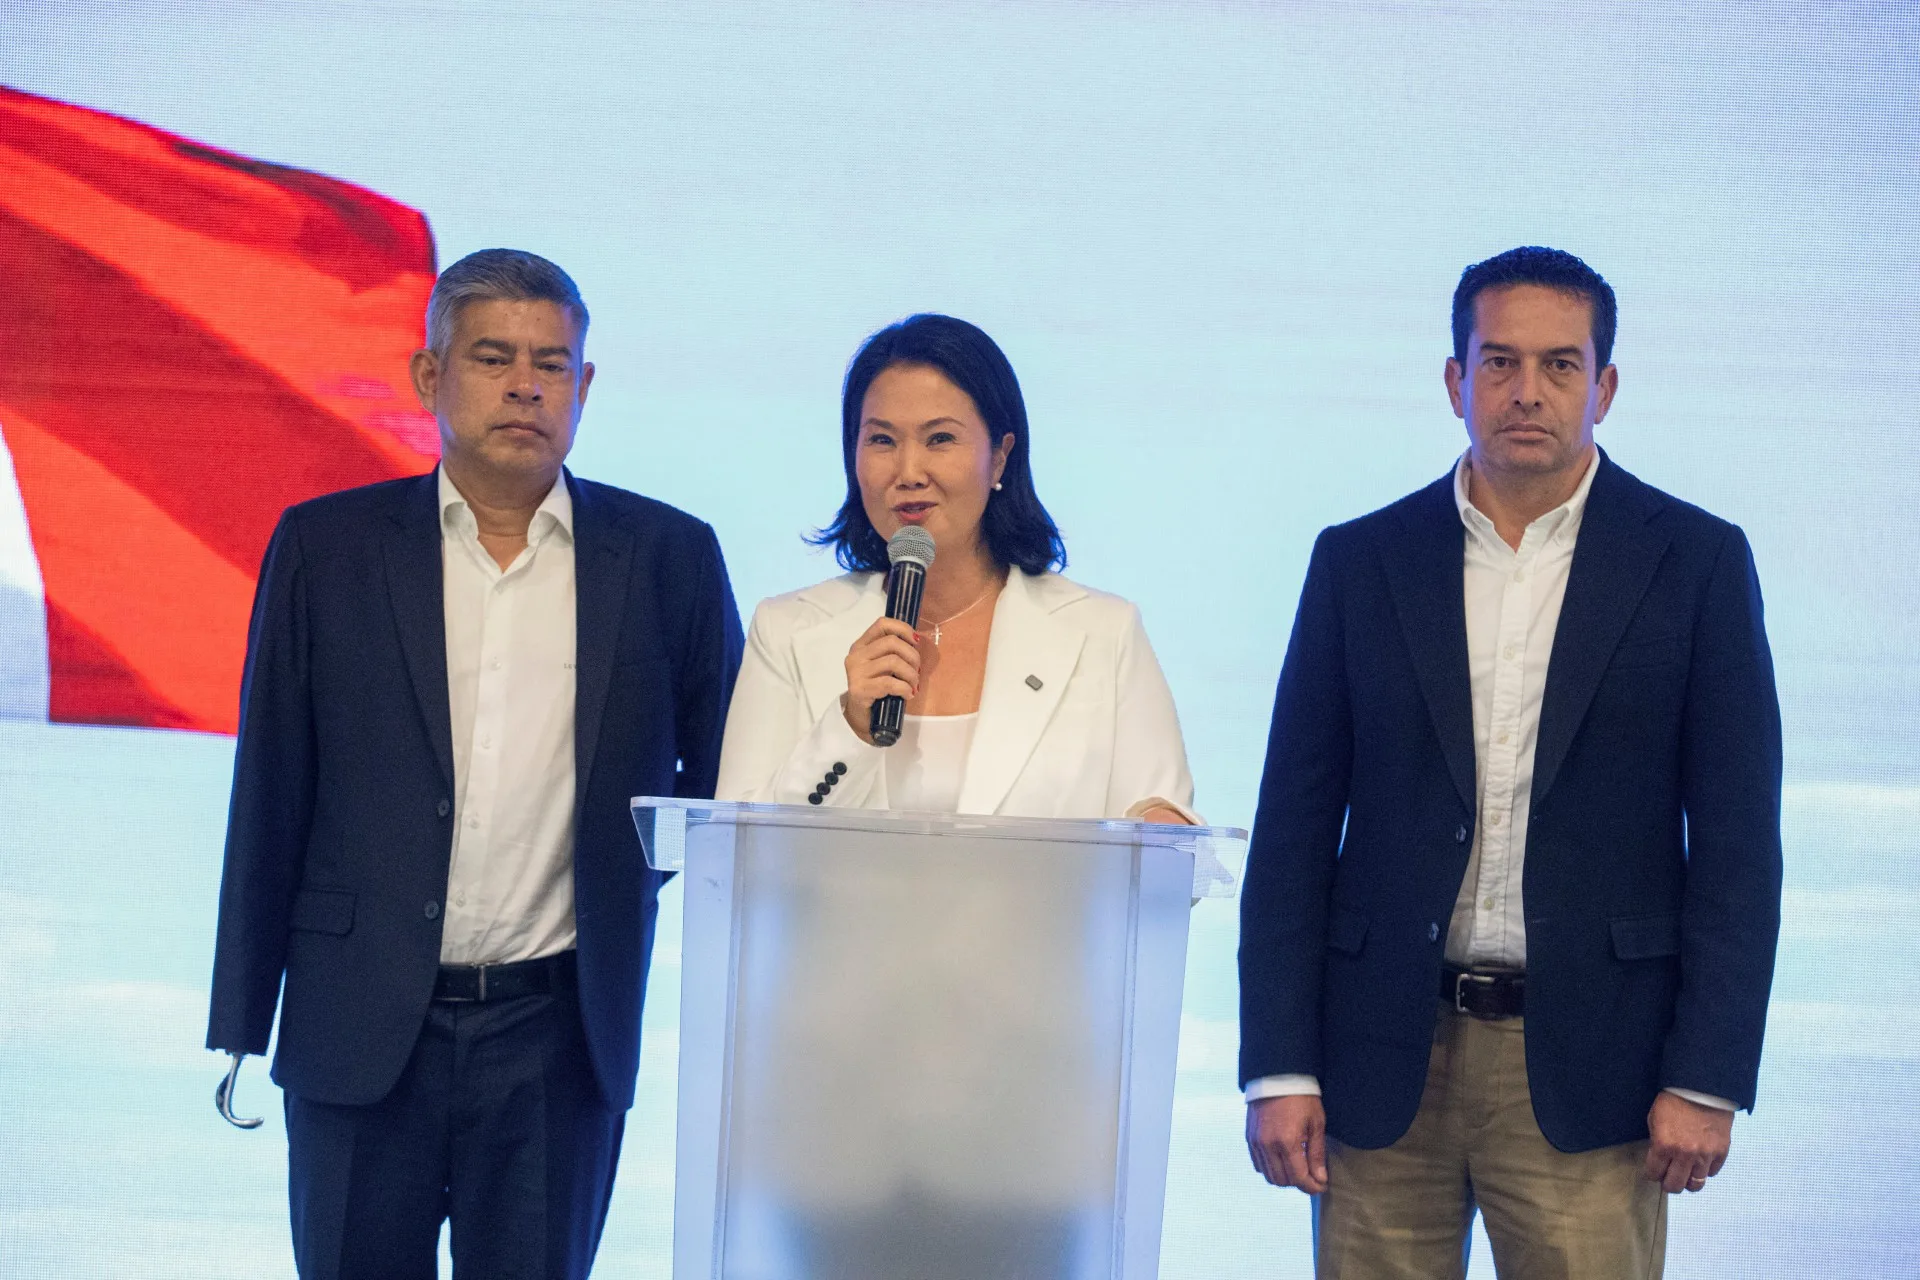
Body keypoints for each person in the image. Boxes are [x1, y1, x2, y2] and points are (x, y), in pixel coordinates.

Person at [1238, 247, 1783, 1278]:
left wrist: (1708, 1075)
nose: (1527, 391)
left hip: (1596, 1065)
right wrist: (1279, 1060)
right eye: (1498, 362)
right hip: (1380, 1061)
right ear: (1455, 381)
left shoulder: (1697, 562)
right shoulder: (1360, 560)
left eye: (1560, 364)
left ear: (1605, 387)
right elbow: (1296, 828)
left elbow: (1738, 843)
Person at [205, 249, 743, 1279]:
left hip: (558, 1034)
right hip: (358, 1026)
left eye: (553, 363)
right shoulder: (329, 547)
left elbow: (725, 779)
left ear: (585, 387)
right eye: (494, 356)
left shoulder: (668, 554)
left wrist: (623, 886)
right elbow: (271, 787)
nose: (526, 384)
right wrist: (241, 1012)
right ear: (430, 375)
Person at [714, 312, 1200, 1277]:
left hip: (1022, 1110)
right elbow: (742, 864)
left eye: (941, 438)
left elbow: (1170, 853)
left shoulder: (1097, 636)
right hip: (837, 1113)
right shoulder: (794, 634)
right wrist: (848, 727)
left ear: (1001, 453)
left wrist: (1155, 841)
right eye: (881, 438)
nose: (909, 469)